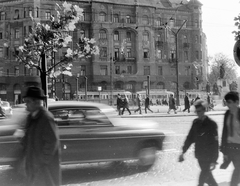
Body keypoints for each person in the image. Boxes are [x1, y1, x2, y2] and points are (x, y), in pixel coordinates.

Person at [21, 86, 61, 186]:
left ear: (36, 102)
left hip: (43, 169)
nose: (26, 104)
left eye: (28, 101)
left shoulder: (46, 118)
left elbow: (52, 142)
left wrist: (41, 162)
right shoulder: (31, 117)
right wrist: (22, 138)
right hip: (33, 166)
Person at [178, 100, 219, 186]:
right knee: (209, 178)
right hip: (200, 155)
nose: (198, 113)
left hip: (209, 156)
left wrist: (214, 160)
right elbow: (190, 138)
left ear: (204, 110)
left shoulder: (211, 124)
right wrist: (183, 151)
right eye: (197, 111)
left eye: (200, 111)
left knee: (203, 177)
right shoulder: (195, 123)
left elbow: (215, 143)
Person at [220, 91, 240, 186]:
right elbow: (224, 132)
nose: (228, 105)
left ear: (237, 102)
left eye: (230, 102)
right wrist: (224, 151)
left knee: (237, 173)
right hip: (230, 148)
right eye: (227, 102)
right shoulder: (227, 114)